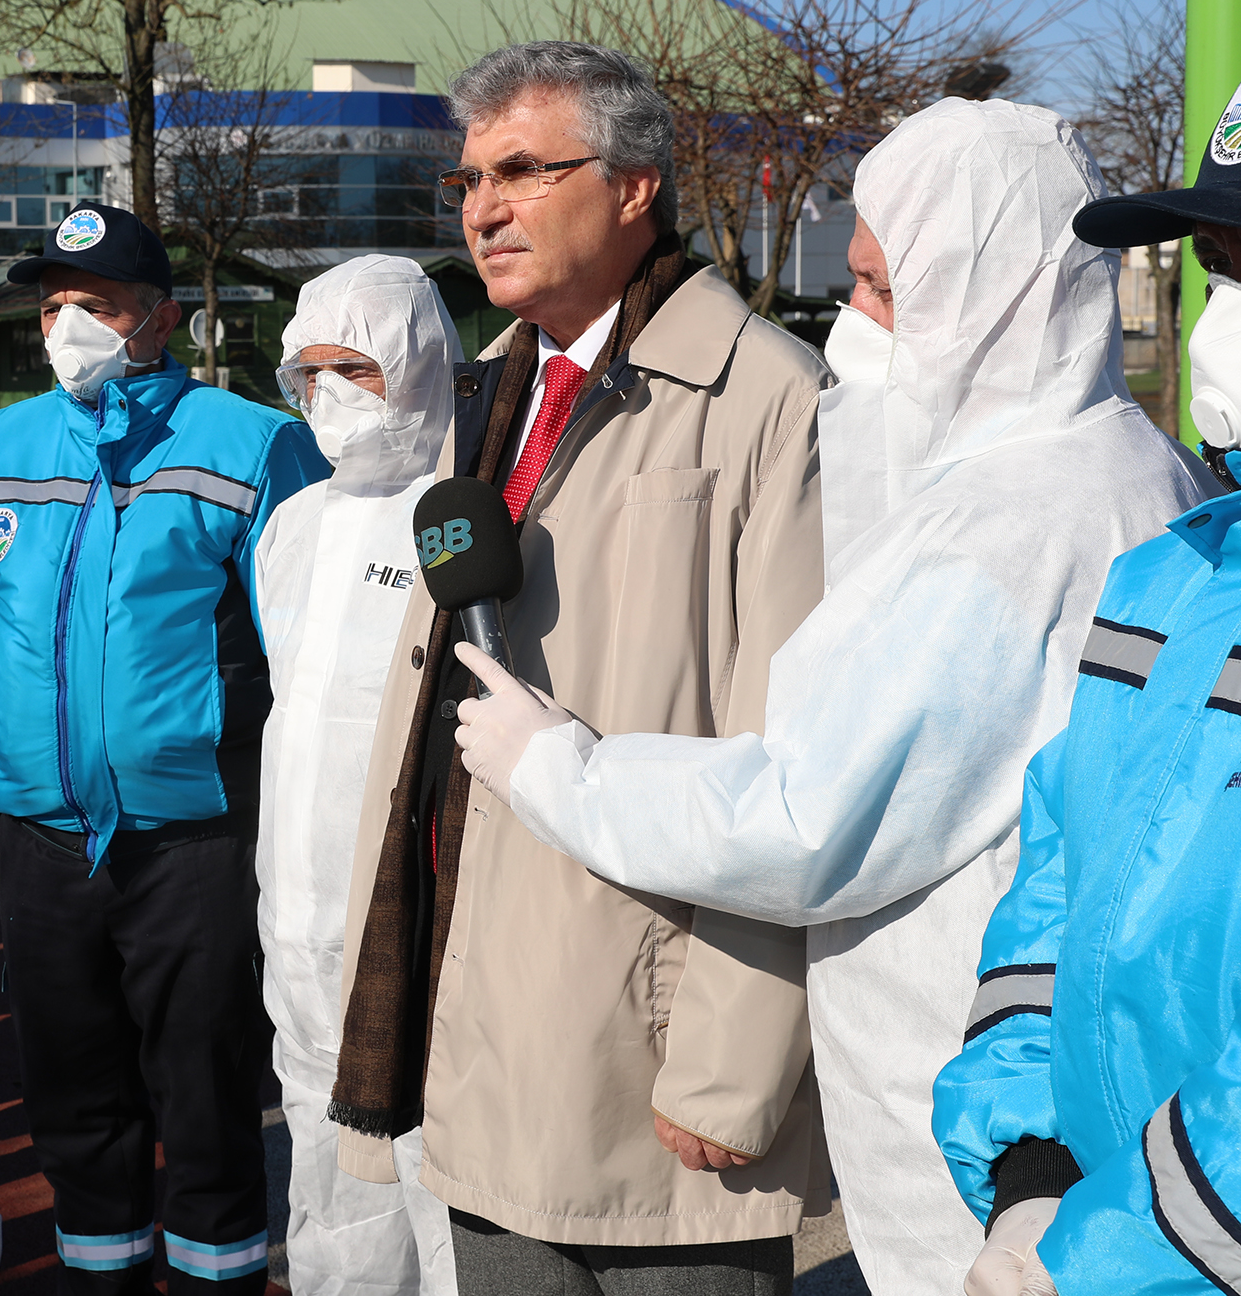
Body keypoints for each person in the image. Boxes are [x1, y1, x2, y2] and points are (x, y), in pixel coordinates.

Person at [449, 98, 1217, 1295]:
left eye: (886, 289)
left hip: (972, 1124)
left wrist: (561, 767)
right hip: (1003, 1108)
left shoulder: (1023, 522)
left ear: (996, 289)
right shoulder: (1068, 468)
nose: (855, 323)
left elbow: (812, 812)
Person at [331, 41, 833, 1295]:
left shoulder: (770, 398)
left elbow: (797, 762)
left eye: (520, 172)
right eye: (466, 183)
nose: (483, 209)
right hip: (485, 1033)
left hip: (652, 1065)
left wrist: (731, 1064)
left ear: (633, 186)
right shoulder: (490, 393)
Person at [0, 205, 329, 1296]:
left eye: (96, 305)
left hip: (194, 842)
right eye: (55, 303)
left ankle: (216, 1281)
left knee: (205, 1105)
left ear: (157, 319)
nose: (68, 325)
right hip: (47, 844)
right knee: (72, 1107)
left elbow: (301, 648)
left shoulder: (253, 444)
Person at [932, 79, 1241, 1296]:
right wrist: (1031, 1172)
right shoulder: (1170, 574)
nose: (1225, 321)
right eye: (1224, 264)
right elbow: (1062, 881)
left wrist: (1103, 1254)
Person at [256, 254, 461, 1296]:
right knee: (321, 1152)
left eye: (360, 367)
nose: (331, 393)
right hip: (292, 917)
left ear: (421, 364)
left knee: (431, 1167)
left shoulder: (464, 517)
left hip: (410, 913)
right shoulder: (291, 525)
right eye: (311, 370)